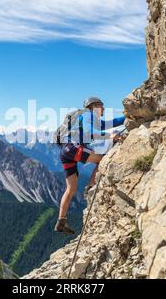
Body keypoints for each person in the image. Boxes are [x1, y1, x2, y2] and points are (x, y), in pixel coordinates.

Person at [54, 97, 126, 235]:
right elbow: (92, 131)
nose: (104, 109)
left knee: (71, 188)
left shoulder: (88, 117)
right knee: (103, 160)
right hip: (73, 147)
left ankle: (61, 220)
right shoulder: (88, 115)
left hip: (65, 150)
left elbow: (108, 124)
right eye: (102, 106)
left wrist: (126, 117)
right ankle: (91, 187)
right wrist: (109, 136)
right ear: (95, 106)